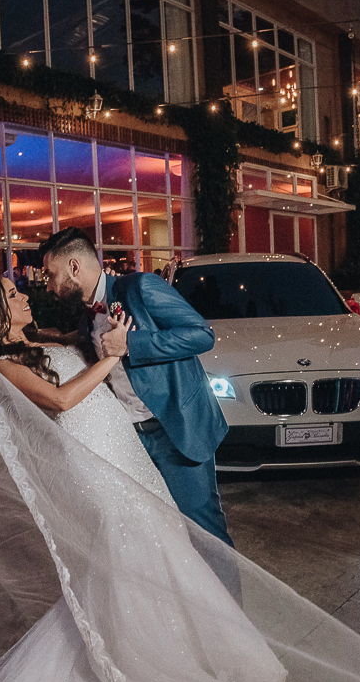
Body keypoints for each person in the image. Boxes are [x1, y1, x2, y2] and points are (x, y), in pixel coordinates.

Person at [0, 276, 313, 682]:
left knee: (169, 550)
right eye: (12, 295)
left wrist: (110, 335)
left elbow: (77, 348)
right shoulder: (5, 365)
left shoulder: (37, 339)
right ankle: (153, 666)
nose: (26, 294)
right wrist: (112, 356)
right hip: (93, 466)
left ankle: (203, 653)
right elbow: (62, 399)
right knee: (132, 555)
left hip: (124, 452)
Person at [39, 227, 232, 546]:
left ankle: (228, 599)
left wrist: (132, 343)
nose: (48, 286)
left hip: (174, 432)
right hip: (130, 440)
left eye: (50, 274)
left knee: (205, 535)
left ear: (74, 267)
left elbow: (201, 334)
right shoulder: (88, 319)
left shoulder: (140, 287)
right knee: (156, 537)